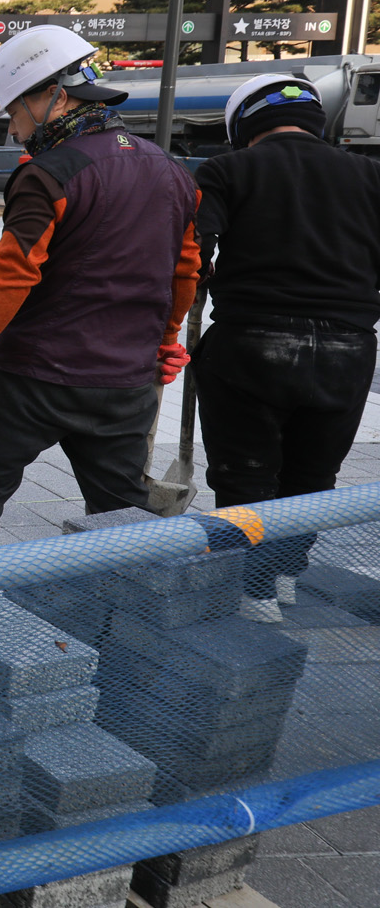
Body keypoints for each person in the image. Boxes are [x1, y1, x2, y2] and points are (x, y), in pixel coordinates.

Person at [0, 27, 199, 554]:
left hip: (30, 378)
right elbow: (185, 270)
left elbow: (12, 270)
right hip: (124, 381)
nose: (13, 129)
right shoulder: (172, 171)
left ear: (51, 94)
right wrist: (165, 339)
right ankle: (120, 628)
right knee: (120, 509)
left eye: (13, 111)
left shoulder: (50, 173)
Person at [191, 73, 380, 621]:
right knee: (313, 475)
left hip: (251, 343)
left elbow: (192, 253)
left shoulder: (227, 169)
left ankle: (253, 592)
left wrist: (183, 302)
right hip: (346, 349)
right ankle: (286, 574)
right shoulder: (370, 174)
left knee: (246, 472)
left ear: (242, 126)